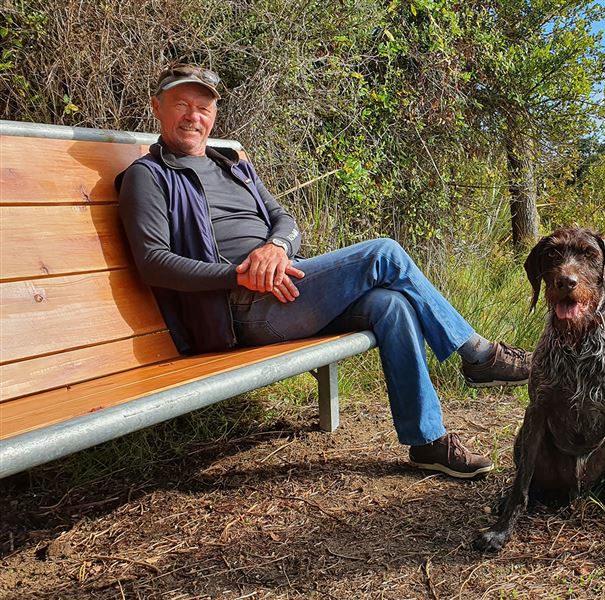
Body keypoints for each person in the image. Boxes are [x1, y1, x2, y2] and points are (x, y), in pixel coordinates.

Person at [116, 64, 530, 479]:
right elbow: (154, 263)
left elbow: (286, 220)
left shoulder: (233, 166)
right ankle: (479, 356)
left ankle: (427, 442)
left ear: (215, 113)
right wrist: (239, 274)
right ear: (157, 108)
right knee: (383, 252)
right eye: (182, 105)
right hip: (240, 307)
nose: (193, 116)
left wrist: (277, 248)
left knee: (391, 304)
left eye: (202, 107)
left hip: (289, 288)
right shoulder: (149, 177)